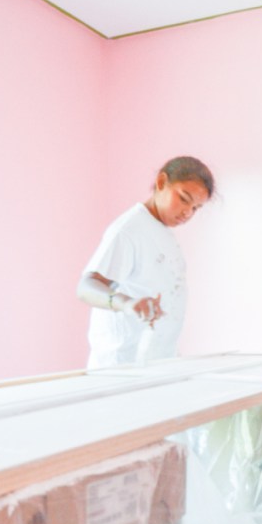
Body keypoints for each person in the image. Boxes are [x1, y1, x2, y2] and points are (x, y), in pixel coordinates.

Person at [77, 155, 215, 368]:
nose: (188, 212)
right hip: (121, 365)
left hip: (156, 363)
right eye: (184, 199)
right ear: (161, 183)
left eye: (196, 208)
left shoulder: (162, 231)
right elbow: (86, 287)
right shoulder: (129, 230)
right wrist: (127, 303)